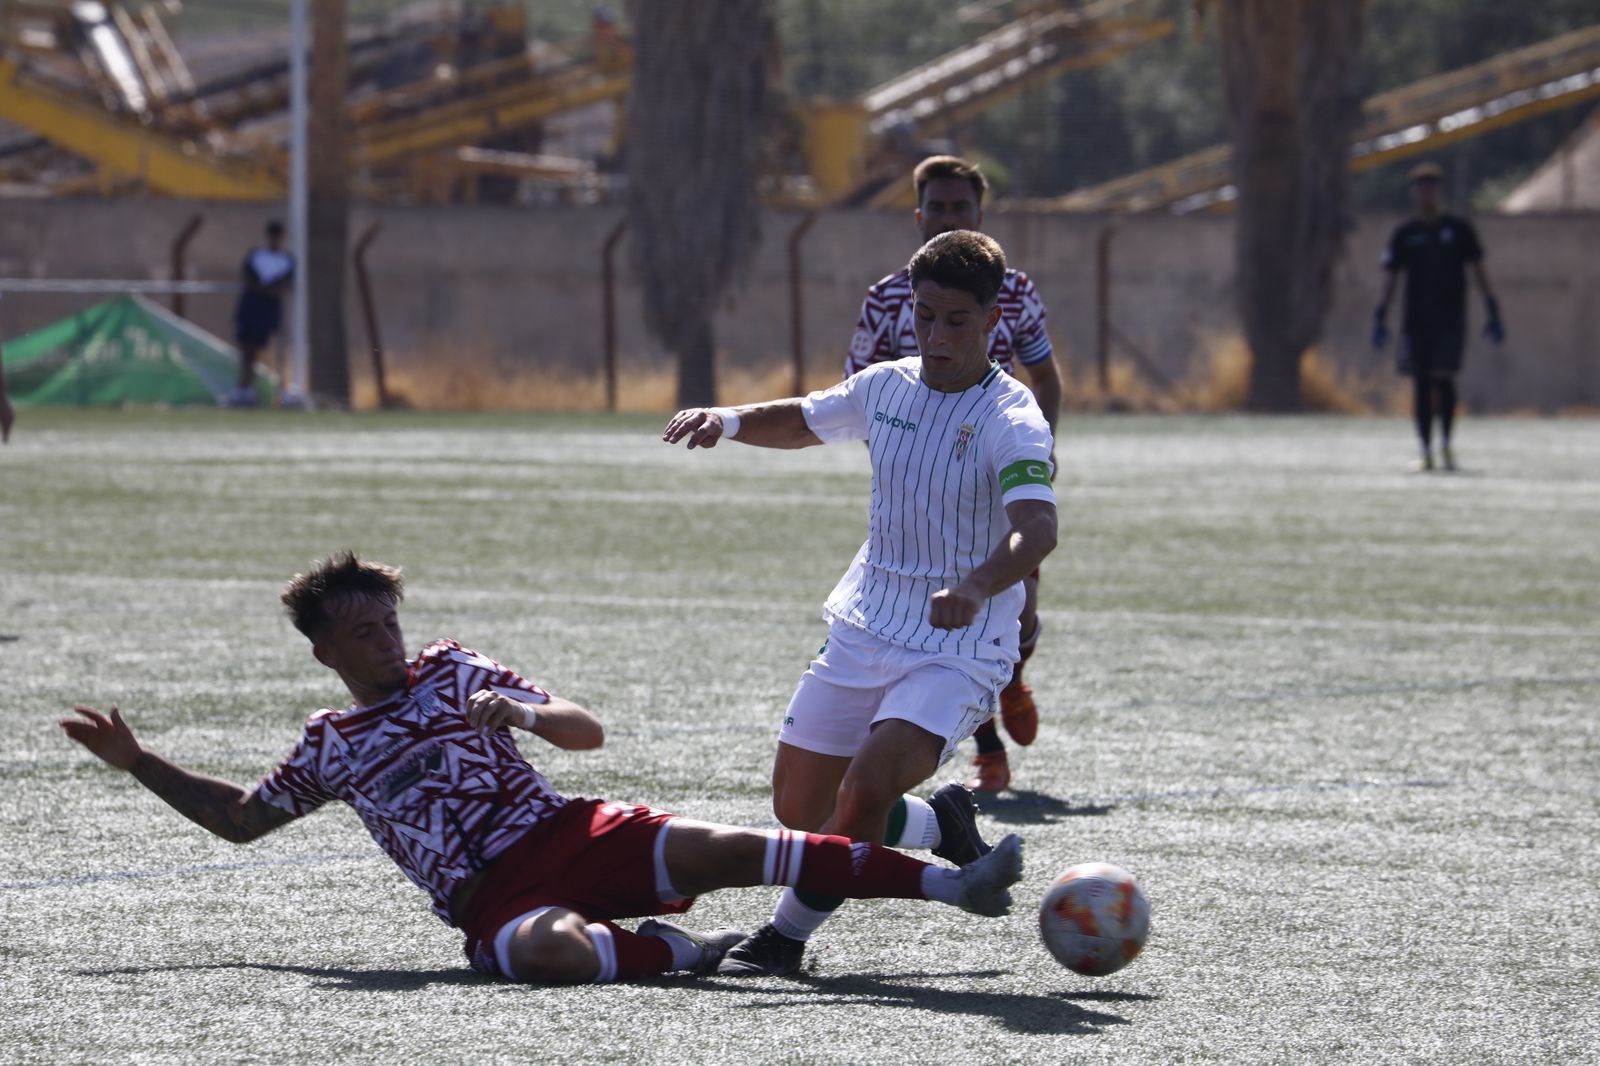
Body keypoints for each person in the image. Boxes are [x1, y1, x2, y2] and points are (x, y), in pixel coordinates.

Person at [59, 551, 1023, 985]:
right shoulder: (332, 745)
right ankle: (677, 953)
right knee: (542, 955)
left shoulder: (453, 668)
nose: (387, 640)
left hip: (573, 832)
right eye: (363, 631)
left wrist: (521, 710)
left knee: (747, 845)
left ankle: (956, 884)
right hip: (491, 897)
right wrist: (138, 759)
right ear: (327, 654)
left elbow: (584, 731)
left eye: (389, 619)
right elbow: (239, 818)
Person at [663, 230, 1057, 976]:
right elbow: (808, 418)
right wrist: (731, 420)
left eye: (957, 321)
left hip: (960, 647)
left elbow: (1039, 529)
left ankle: (783, 940)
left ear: (994, 316)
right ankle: (938, 825)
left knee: (867, 784)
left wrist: (974, 588)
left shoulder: (1012, 416)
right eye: (926, 315)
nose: (937, 336)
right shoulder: (886, 386)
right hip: (866, 624)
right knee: (801, 810)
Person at [847, 155, 1063, 793]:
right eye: (935, 208)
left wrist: (1042, 452)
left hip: (1000, 466)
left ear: (979, 215)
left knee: (1015, 610)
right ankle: (988, 747)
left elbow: (1044, 374)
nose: (946, 217)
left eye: (958, 208)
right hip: (923, 484)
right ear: (918, 216)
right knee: (939, 618)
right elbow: (857, 388)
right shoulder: (888, 298)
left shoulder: (1015, 292)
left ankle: (1013, 675)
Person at [1372, 161, 1504, 472]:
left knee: (1443, 379)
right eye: (1421, 188)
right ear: (1413, 194)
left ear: (1438, 192)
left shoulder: (1459, 230)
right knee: (1420, 383)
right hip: (1416, 321)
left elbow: (1479, 270)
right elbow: (1390, 277)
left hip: (1450, 318)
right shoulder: (1405, 233)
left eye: (1431, 188)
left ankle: (1446, 445)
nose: (1426, 194)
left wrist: (1493, 309)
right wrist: (1380, 315)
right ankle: (1425, 449)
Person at [227, 220, 295, 408]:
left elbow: (285, 285)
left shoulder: (286, 260)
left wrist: (264, 290)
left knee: (271, 350)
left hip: (269, 312)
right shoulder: (256, 256)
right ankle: (244, 388)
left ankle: (280, 390)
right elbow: (249, 280)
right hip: (250, 308)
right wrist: (267, 290)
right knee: (247, 349)